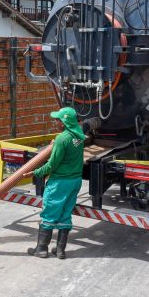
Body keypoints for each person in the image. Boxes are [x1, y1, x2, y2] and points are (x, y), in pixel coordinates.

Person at [24, 107, 85, 259]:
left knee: (49, 214)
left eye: (57, 120)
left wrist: (36, 172)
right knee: (65, 214)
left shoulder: (61, 139)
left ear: (64, 122)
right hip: (75, 181)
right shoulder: (79, 135)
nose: (55, 122)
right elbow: (68, 146)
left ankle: (41, 249)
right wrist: (56, 144)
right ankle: (60, 250)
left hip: (60, 182)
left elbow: (52, 165)